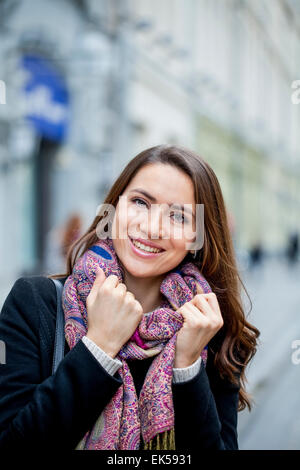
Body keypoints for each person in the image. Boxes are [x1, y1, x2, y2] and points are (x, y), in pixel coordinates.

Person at [0, 144, 260, 450]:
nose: (151, 227)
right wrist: (98, 348)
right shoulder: (35, 304)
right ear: (114, 209)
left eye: (178, 216)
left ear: (196, 238)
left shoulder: (210, 332)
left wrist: (187, 366)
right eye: (140, 202)